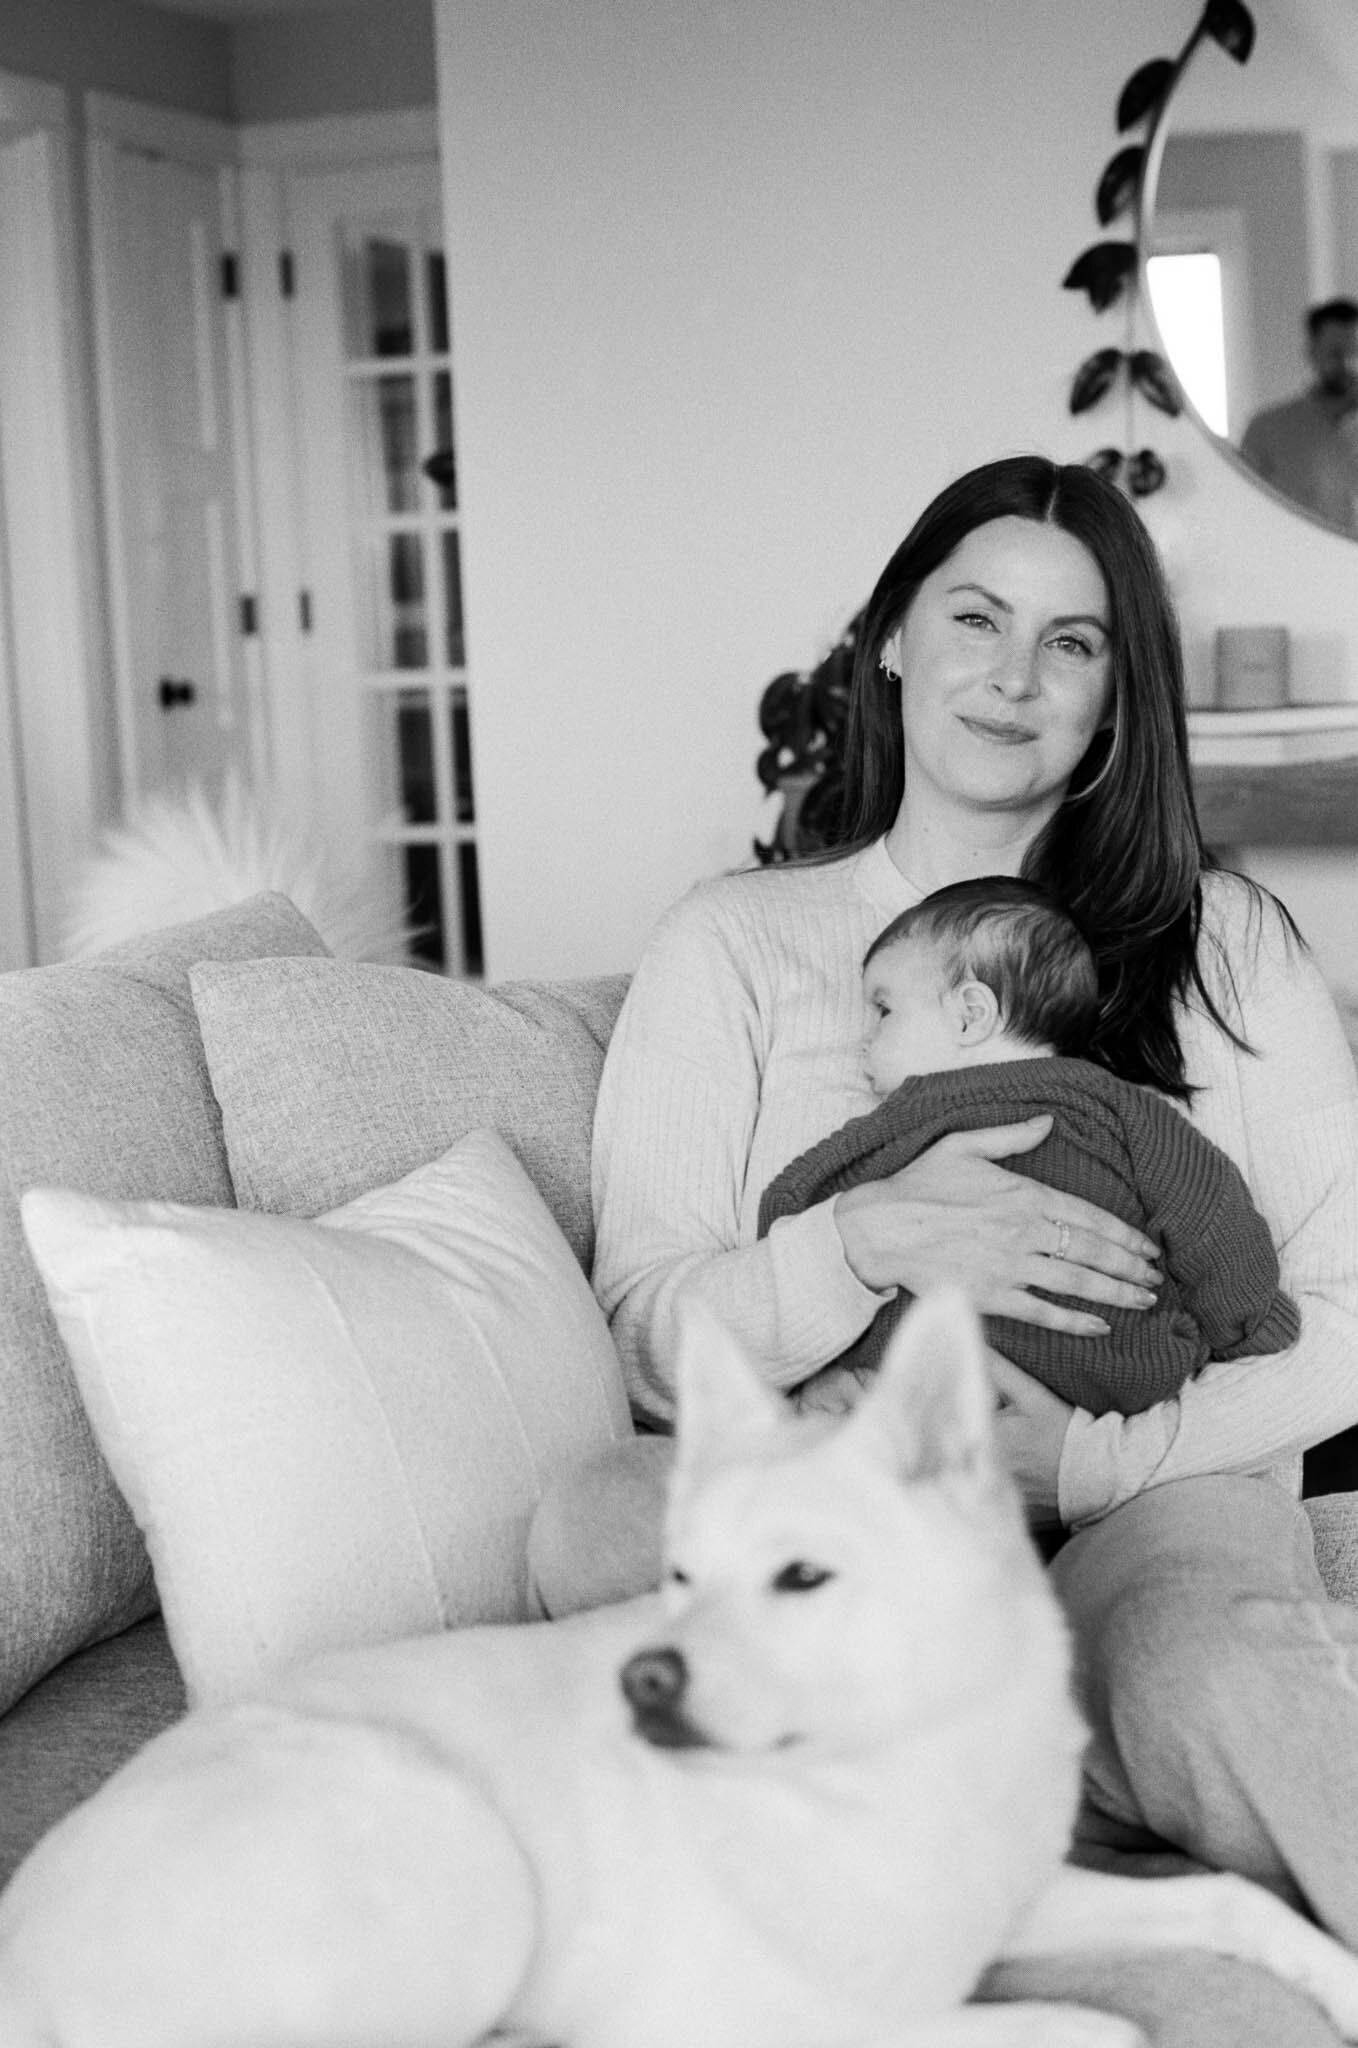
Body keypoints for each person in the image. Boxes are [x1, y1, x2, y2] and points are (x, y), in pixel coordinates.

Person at [528, 455, 1358, 2045]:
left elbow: (1339, 1303)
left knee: (1219, 1673)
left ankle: (1050, 1789)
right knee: (592, 1525)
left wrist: (1108, 1462)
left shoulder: (1226, 940)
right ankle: (1064, 1807)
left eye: (1073, 642)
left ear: (1117, 698)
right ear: (888, 643)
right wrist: (868, 1239)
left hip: (1154, 1502)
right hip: (841, 1522)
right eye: (973, 618)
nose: (1012, 672)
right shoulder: (734, 944)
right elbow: (645, 1327)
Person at [759, 875, 1299, 1419]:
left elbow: (792, 1201)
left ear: (971, 1013)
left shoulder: (907, 1114)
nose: (865, 1039)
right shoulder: (1118, 1106)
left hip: (930, 1393)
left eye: (884, 1010)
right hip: (1123, 1379)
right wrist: (1249, 1322)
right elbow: (1210, 1208)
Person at [1240, 298, 1358, 536]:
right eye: (1335, 353)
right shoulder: (1266, 430)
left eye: (1356, 351)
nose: (1347, 362)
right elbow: (1245, 516)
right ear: (1312, 351)